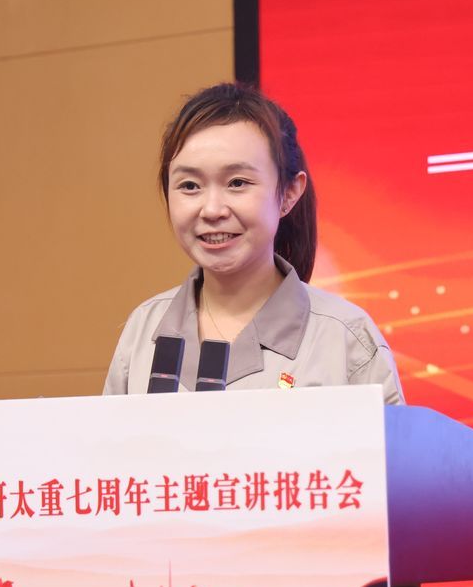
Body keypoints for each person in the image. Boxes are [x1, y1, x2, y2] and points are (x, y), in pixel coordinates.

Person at [102, 82, 405, 403]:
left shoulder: (347, 338)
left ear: (289, 193)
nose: (212, 209)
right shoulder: (144, 330)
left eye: (237, 183)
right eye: (189, 185)